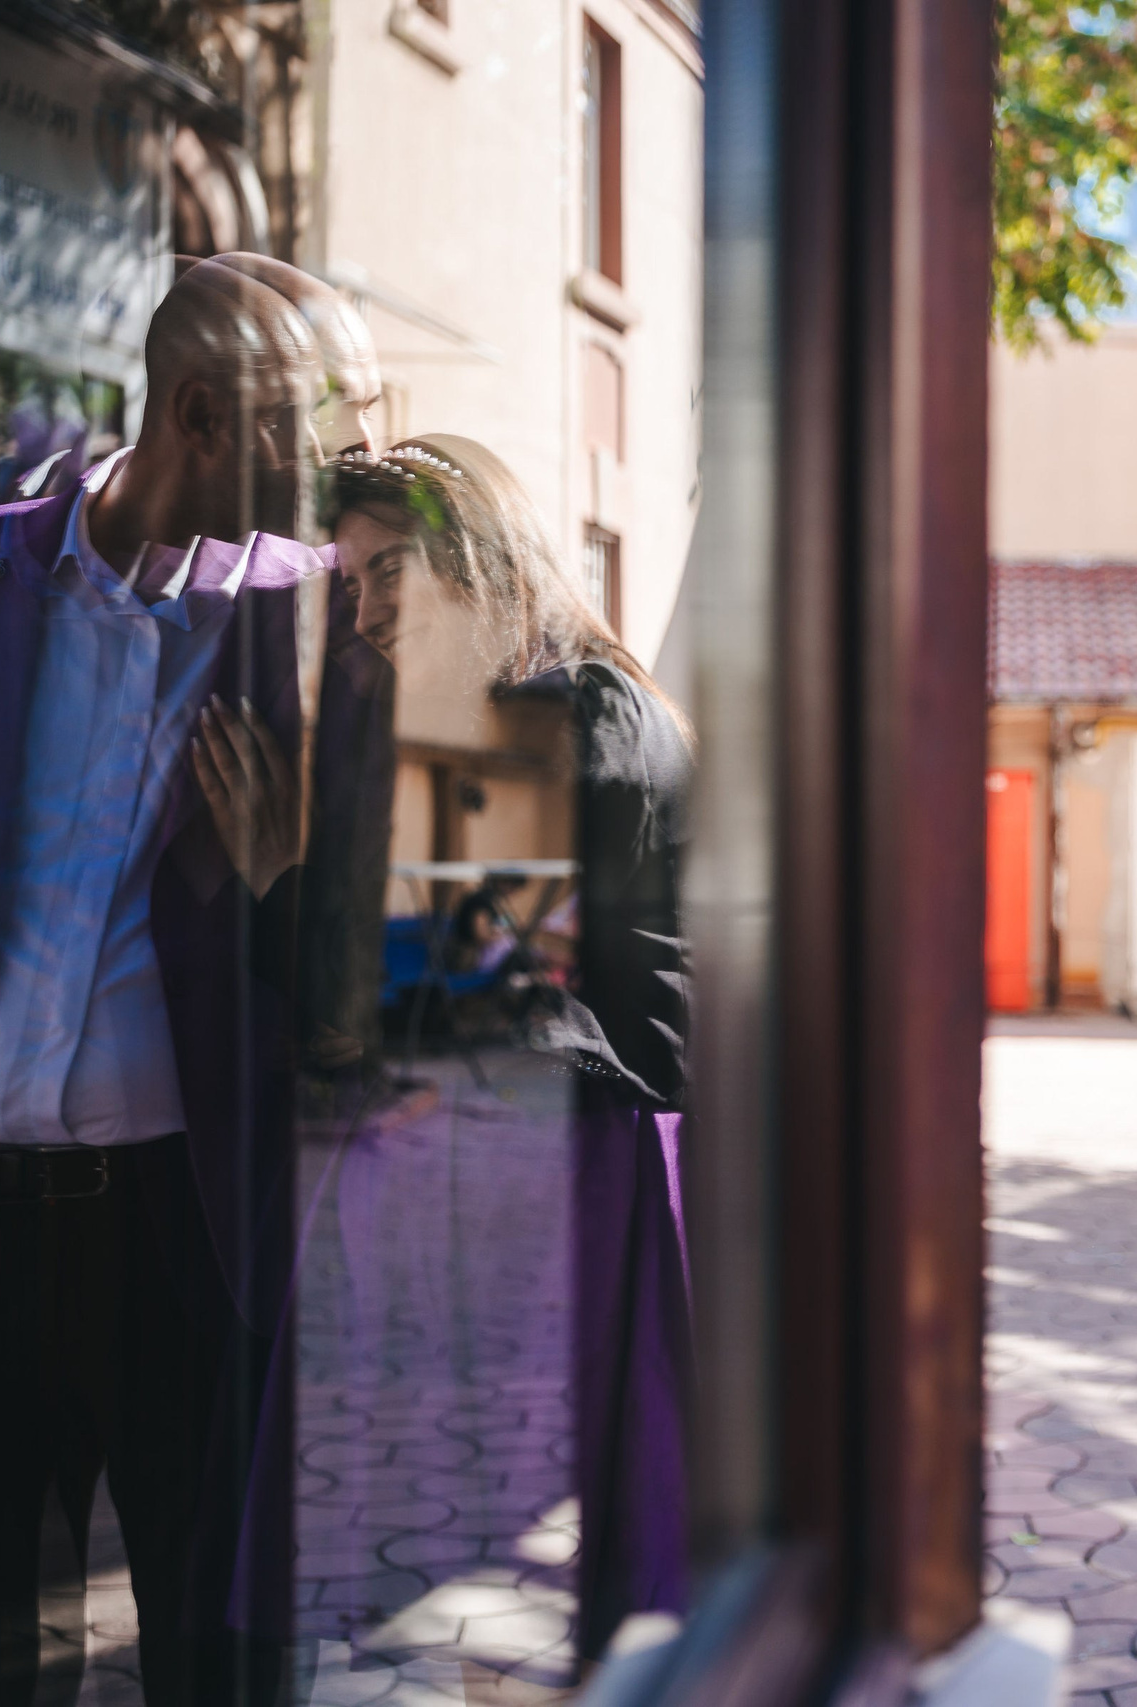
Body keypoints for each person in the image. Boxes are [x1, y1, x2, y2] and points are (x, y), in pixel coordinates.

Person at [0, 255, 348, 1703]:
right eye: (298, 431)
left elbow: (331, 965)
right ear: (199, 414)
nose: (317, 478)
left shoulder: (292, 615)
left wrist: (281, 871)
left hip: (170, 1215)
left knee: (199, 1634)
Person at [326, 433, 694, 1666]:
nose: (366, 609)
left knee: (608, 1578)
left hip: (615, 1167)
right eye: (352, 579)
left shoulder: (572, 713)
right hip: (575, 1157)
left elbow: (478, 988)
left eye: (389, 572)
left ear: (475, 560)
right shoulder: (536, 710)